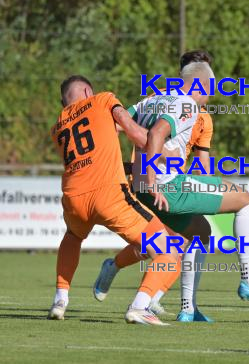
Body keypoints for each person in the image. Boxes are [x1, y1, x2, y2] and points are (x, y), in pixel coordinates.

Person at [48, 75, 178, 325]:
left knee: (73, 237)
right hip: (109, 196)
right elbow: (133, 131)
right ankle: (140, 307)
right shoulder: (103, 99)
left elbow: (92, 157)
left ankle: (60, 300)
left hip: (74, 198)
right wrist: (163, 153)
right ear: (88, 91)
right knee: (168, 251)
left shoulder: (58, 127)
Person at [94, 51, 214, 318]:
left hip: (174, 186)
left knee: (174, 243)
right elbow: (122, 124)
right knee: (166, 245)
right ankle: (144, 299)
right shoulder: (162, 97)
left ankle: (143, 290)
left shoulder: (203, 116)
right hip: (149, 183)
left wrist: (205, 190)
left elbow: (202, 158)